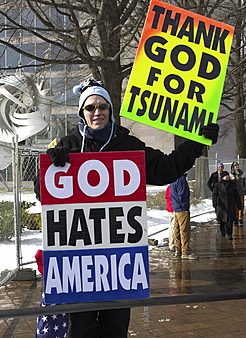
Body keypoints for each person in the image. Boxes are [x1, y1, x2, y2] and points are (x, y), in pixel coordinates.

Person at [34, 78, 219, 338]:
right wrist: (51, 166)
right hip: (80, 262)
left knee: (116, 328)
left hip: (118, 261)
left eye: (102, 106)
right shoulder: (68, 145)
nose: (97, 112)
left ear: (110, 110)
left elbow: (165, 168)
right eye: (90, 107)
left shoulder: (127, 145)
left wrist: (197, 143)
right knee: (81, 330)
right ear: (82, 113)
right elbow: (43, 194)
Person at [170, 173, 199, 260]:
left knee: (177, 229)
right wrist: (185, 206)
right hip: (182, 209)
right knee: (184, 230)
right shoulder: (181, 179)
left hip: (176, 208)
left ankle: (178, 249)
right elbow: (182, 195)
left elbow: (172, 194)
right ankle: (186, 251)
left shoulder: (173, 179)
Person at [212, 171, 242, 240]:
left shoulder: (233, 184)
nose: (227, 177)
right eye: (225, 176)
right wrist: (215, 203)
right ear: (222, 177)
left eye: (228, 175)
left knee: (229, 220)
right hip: (221, 205)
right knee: (222, 220)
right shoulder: (218, 185)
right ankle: (222, 232)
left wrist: (239, 204)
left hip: (230, 204)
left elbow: (236, 195)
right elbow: (214, 195)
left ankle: (229, 234)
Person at [165, 185, 175, 251]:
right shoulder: (173, 186)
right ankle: (173, 244)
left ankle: (171, 244)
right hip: (174, 208)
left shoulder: (169, 187)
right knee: (173, 227)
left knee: (171, 227)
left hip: (170, 208)